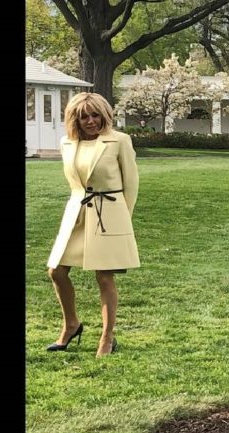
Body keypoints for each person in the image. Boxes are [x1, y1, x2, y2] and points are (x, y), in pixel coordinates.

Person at [46, 92, 140, 358]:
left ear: (105, 115)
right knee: (56, 271)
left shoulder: (119, 141)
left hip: (110, 214)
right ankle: (72, 324)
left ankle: (107, 338)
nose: (90, 121)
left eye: (95, 115)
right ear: (74, 119)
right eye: (84, 116)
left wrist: (123, 221)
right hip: (76, 213)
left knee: (104, 276)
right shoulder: (68, 142)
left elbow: (131, 185)